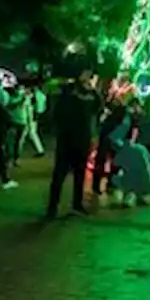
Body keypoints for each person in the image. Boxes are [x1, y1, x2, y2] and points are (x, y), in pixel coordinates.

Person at [47, 69, 100, 219]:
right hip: (67, 142)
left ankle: (77, 204)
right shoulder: (67, 97)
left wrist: (93, 89)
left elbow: (98, 106)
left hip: (82, 142)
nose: (88, 82)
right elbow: (57, 115)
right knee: (59, 176)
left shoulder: (89, 98)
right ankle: (53, 207)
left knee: (80, 175)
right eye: (85, 79)